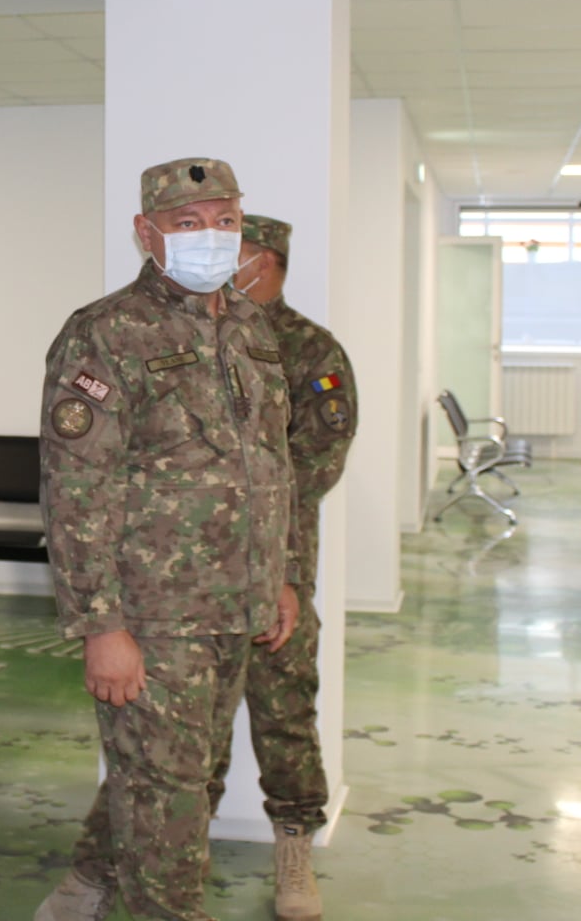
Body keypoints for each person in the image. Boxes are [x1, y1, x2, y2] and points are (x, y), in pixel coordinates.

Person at [35, 159, 297, 921]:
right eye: (188, 223)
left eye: (225, 221)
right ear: (146, 233)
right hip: (152, 616)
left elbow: (268, 465)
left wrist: (276, 575)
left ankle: (87, 883)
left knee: (186, 777)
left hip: (235, 604)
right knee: (167, 798)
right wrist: (102, 626)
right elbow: (76, 489)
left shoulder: (250, 327)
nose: (210, 236)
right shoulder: (106, 332)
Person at [211, 215, 359, 921]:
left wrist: (282, 567)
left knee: (285, 712)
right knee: (193, 722)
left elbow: (316, 464)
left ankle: (295, 852)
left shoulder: (309, 350)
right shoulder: (197, 336)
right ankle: (179, 847)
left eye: (230, 247)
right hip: (192, 570)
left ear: (263, 261)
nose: (214, 256)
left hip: (278, 565)